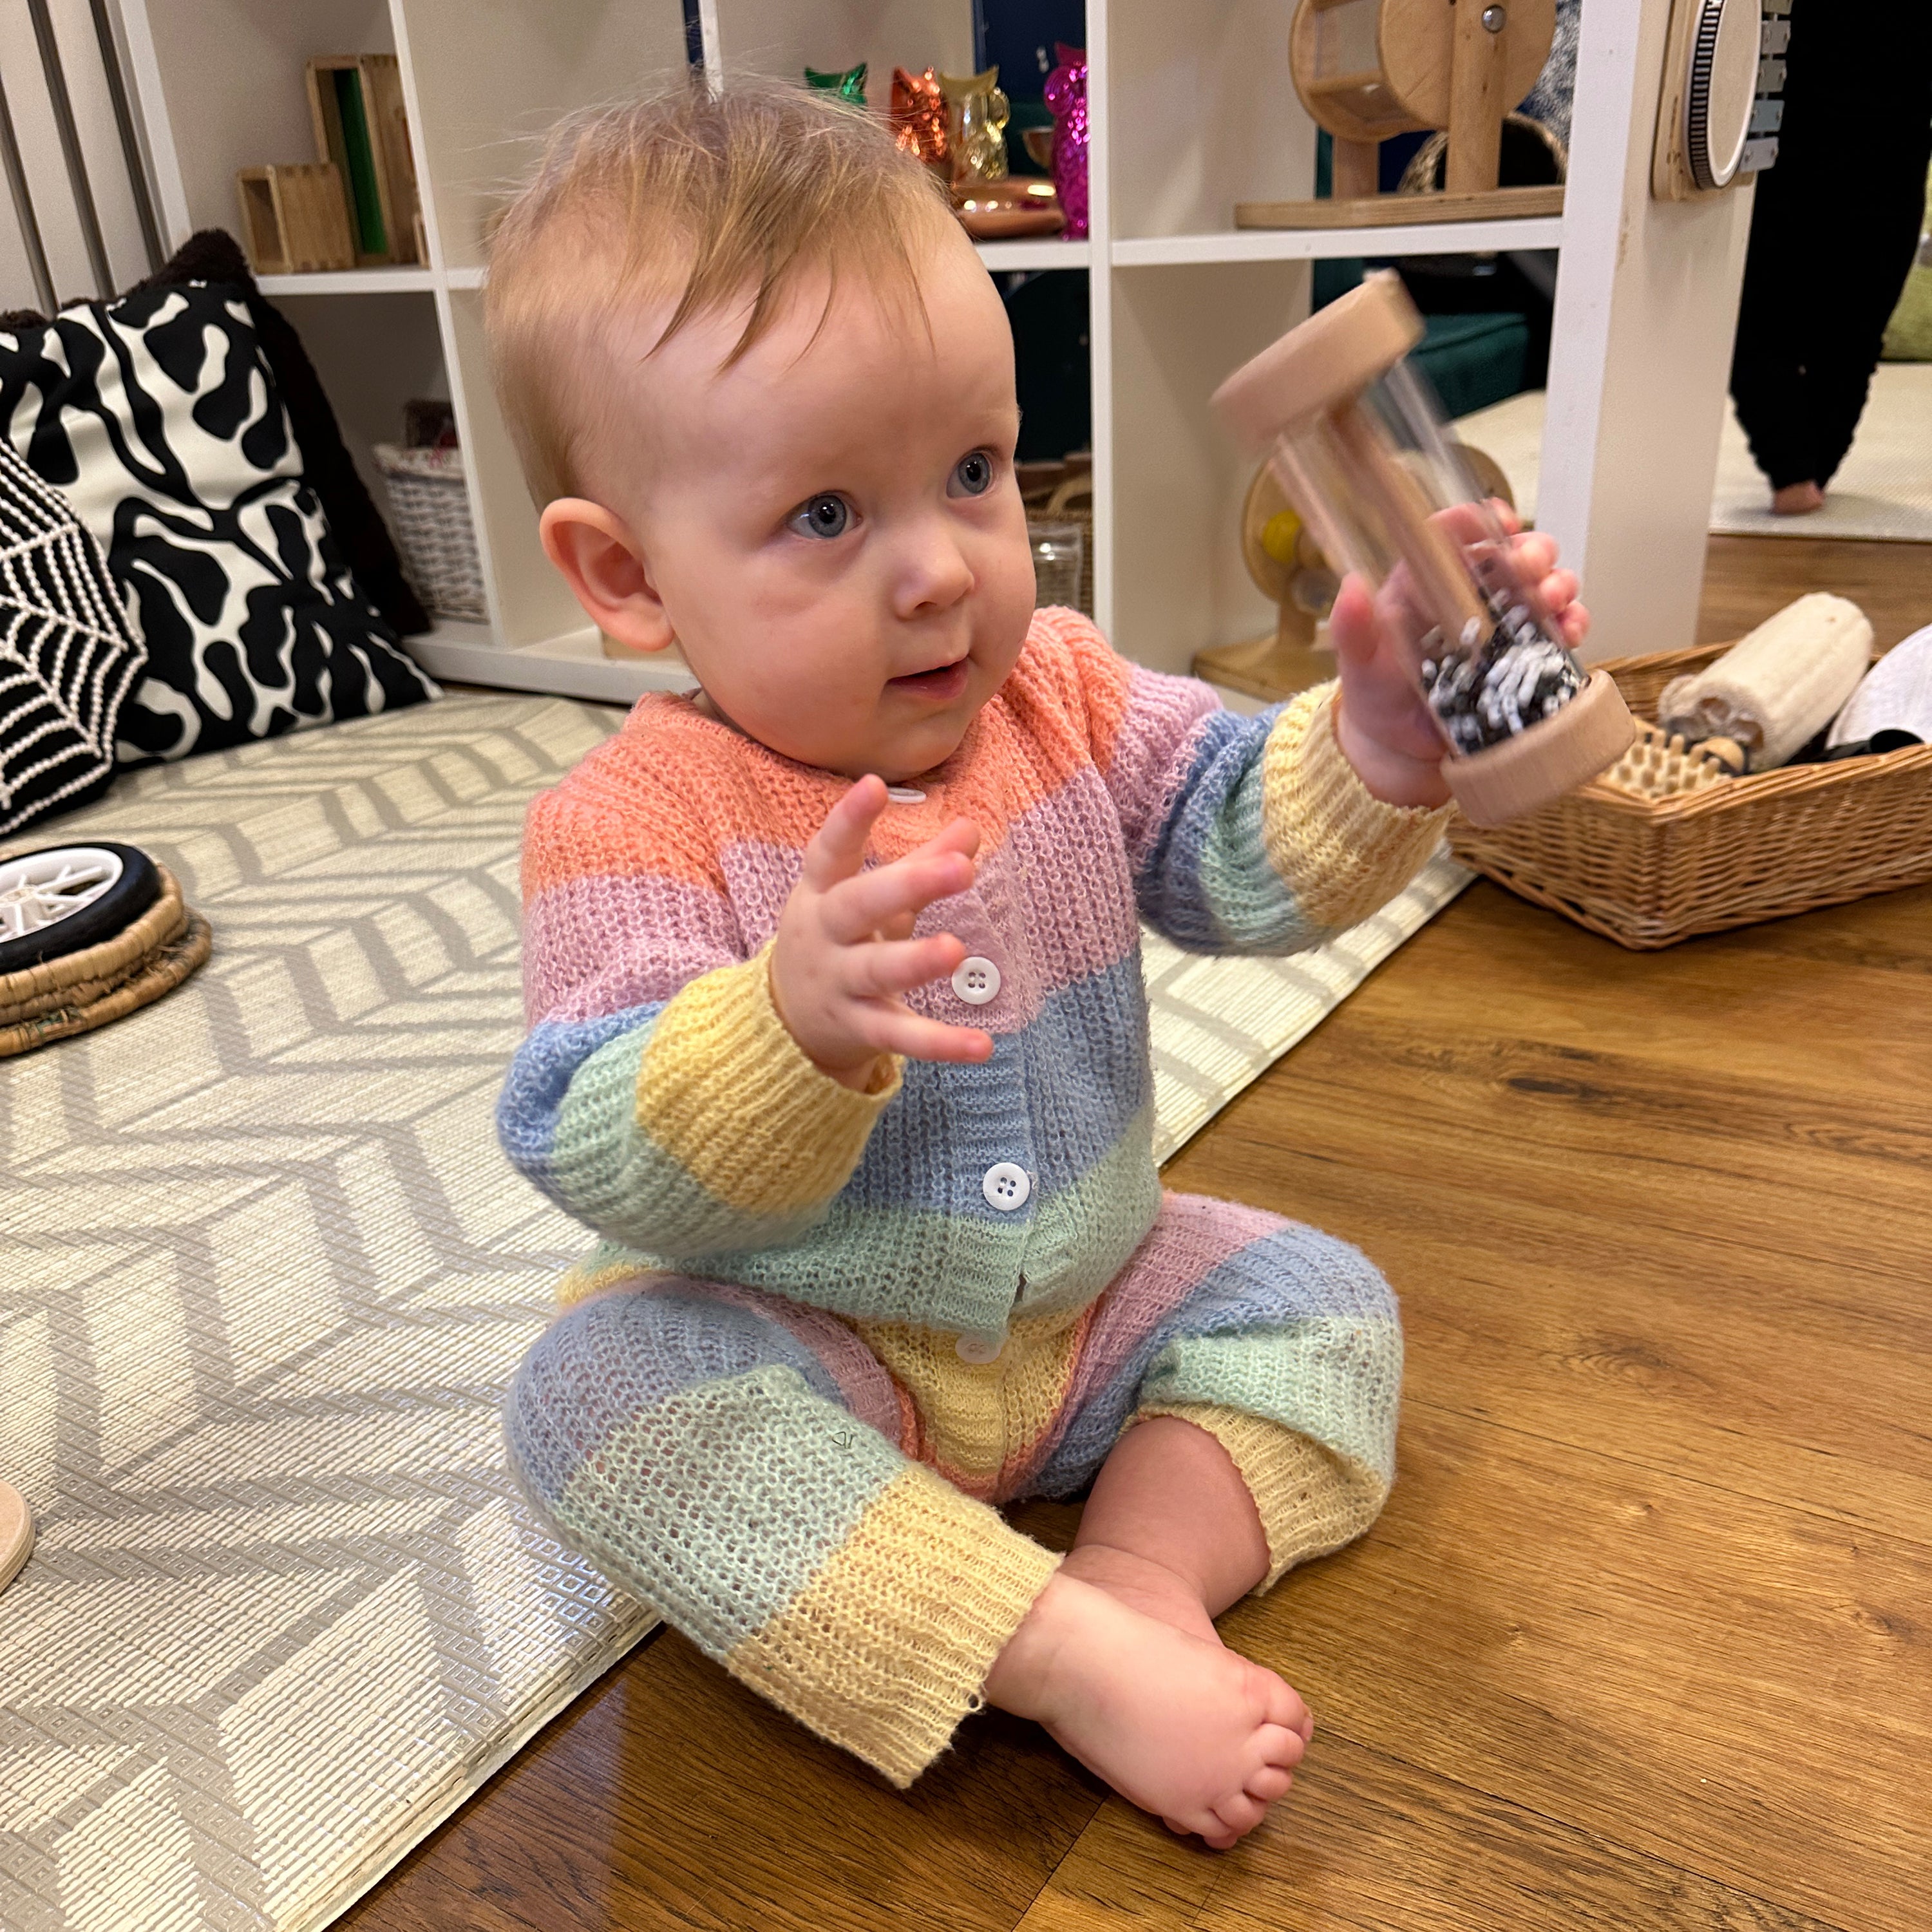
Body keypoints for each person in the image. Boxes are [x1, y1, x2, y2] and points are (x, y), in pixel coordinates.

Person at [486, 78, 1586, 1849]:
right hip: (805, 1336)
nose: (939, 569)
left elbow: (1229, 838)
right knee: (592, 1401)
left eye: (974, 471)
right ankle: (1042, 1647)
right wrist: (783, 1027)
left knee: (1324, 1302)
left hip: (1086, 1305)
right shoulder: (630, 818)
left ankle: (1140, 1576)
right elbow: (584, 1128)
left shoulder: (1057, 686)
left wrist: (1377, 740)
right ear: (627, 575)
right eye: (826, 515)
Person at [1729, 0, 1932, 515]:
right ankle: (1798, 470)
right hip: (1795, 144)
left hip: (1877, 149)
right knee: (1769, 324)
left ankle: (1802, 471)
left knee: (1843, 333)